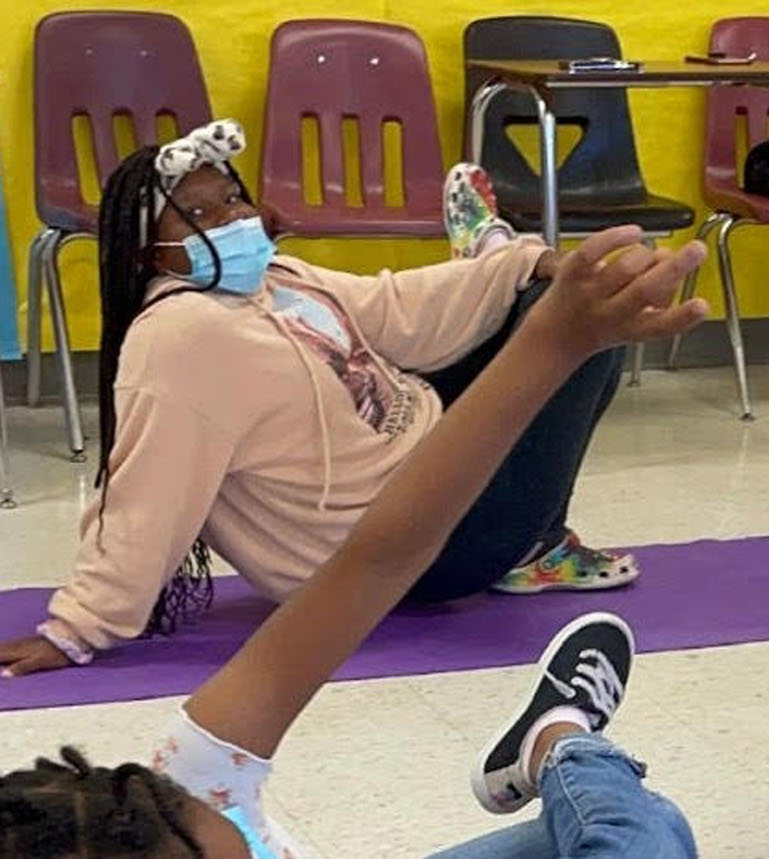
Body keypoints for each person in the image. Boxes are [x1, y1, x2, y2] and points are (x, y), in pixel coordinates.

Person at [0, 225, 706, 858]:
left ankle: (563, 748)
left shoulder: (195, 785)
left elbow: (381, 557)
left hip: (402, 485)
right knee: (646, 830)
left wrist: (555, 339)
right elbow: (139, 502)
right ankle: (563, 744)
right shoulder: (177, 346)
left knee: (644, 834)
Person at [0, 120, 638, 678]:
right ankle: (533, 546)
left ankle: (494, 255)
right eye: (202, 214)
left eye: (233, 199)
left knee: (557, 298)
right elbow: (145, 495)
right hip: (409, 551)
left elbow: (394, 308)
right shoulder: (179, 339)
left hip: (428, 458)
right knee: (587, 332)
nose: (235, 219)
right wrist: (76, 629)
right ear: (150, 251)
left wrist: (530, 264)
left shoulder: (274, 275)